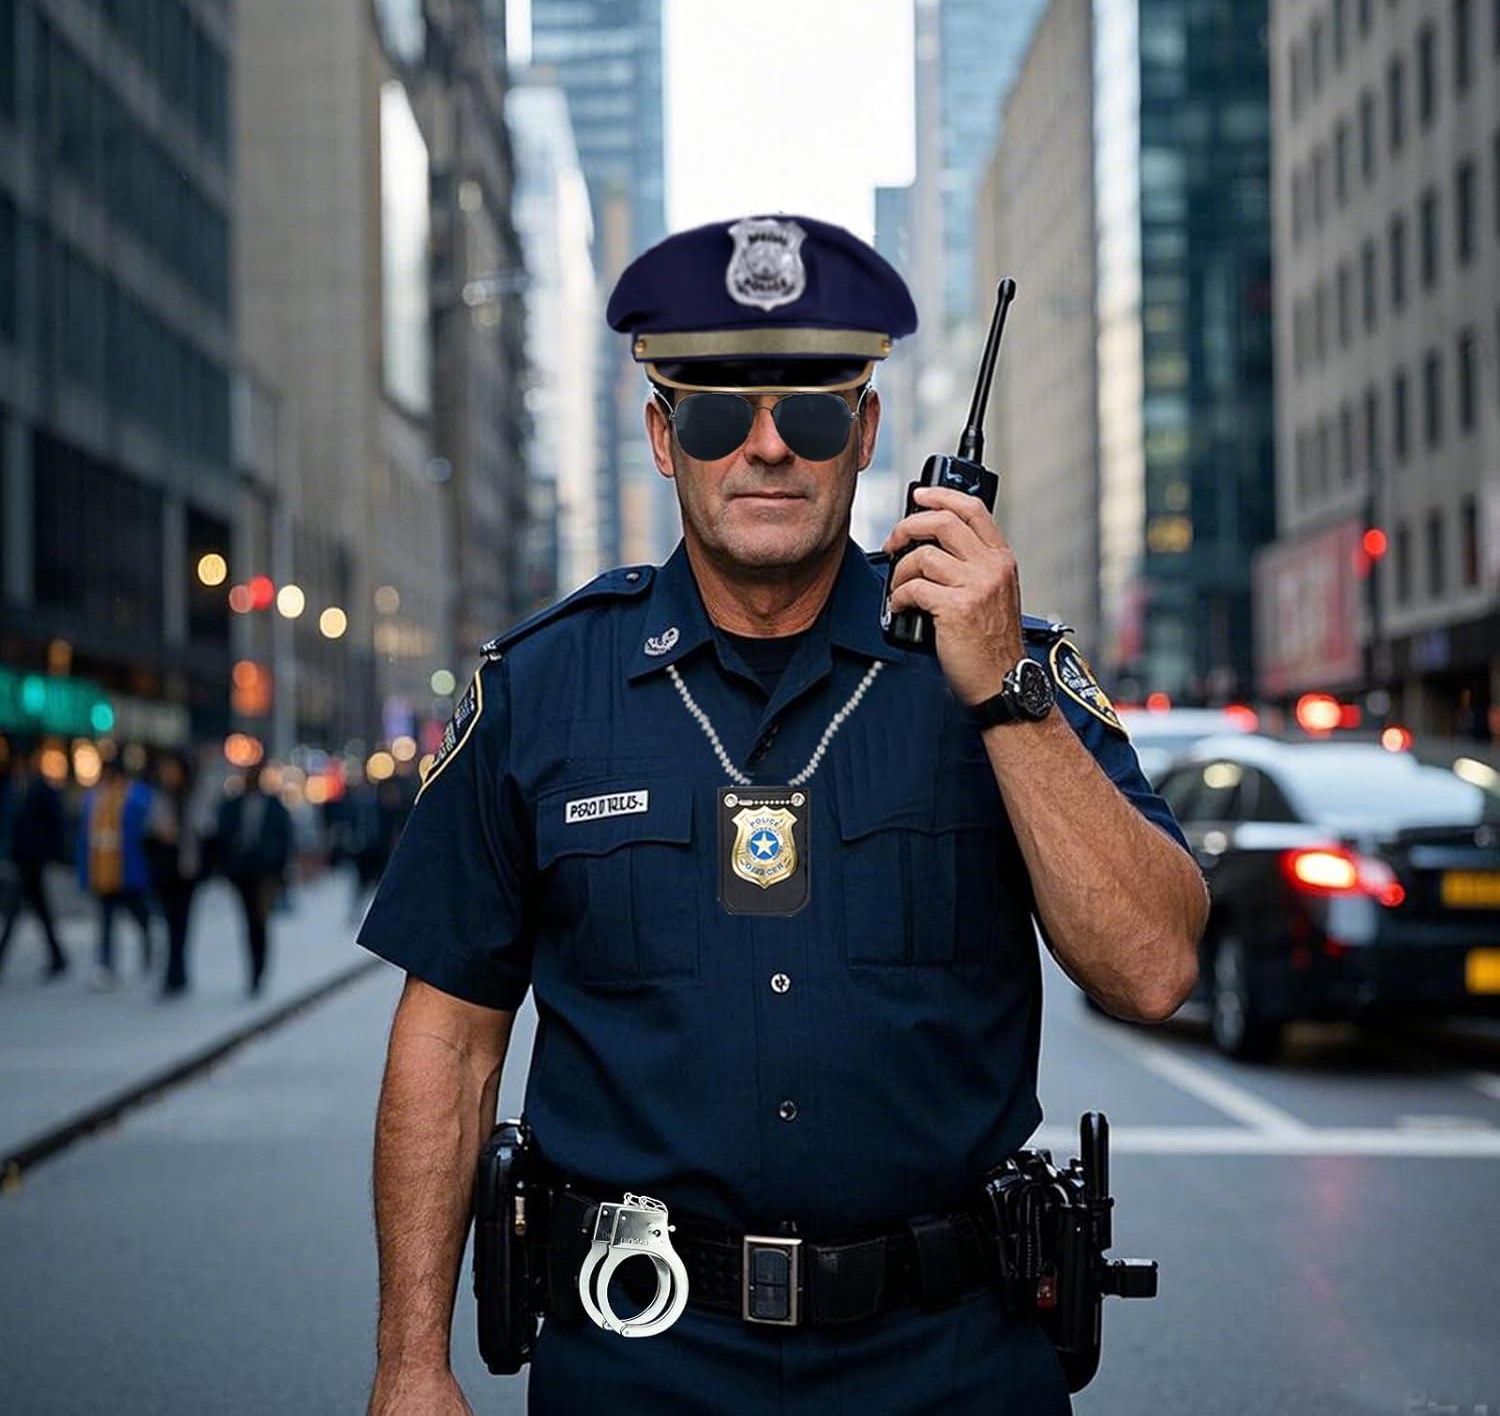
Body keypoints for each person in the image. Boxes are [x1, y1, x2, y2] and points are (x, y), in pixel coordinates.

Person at [357, 215, 1209, 1415]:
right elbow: (449, 1044)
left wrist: (1006, 693)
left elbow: (1155, 968)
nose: (765, 449)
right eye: (716, 413)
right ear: (663, 439)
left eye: (809, 413)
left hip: (951, 1362)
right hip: (640, 1355)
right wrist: (408, 1364)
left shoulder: (1004, 670)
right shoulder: (542, 689)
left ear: (865, 434)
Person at [78, 755, 155, 989]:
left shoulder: (135, 796)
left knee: (139, 915)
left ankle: (148, 947)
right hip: (103, 870)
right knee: (106, 920)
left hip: (127, 870)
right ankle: (106, 964)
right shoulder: (95, 798)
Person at [216, 761, 293, 996]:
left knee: (259, 922)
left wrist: (277, 867)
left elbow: (285, 838)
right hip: (242, 872)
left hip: (265, 873)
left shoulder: (273, 806)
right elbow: (223, 835)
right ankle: (253, 969)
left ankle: (258, 971)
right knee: (249, 921)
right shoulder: (233, 805)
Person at [144, 749, 210, 997]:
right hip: (165, 870)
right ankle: (172, 972)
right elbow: (148, 836)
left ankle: (178, 971)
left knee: (182, 923)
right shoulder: (160, 799)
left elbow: (205, 834)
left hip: (187, 870)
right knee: (168, 922)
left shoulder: (194, 799)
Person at [0, 747, 69, 981]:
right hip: (20, 857)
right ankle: (58, 957)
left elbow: (55, 823)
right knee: (38, 910)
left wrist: (54, 854)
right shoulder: (12, 788)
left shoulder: (40, 789)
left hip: (33, 859)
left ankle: (57, 957)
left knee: (17, 910)